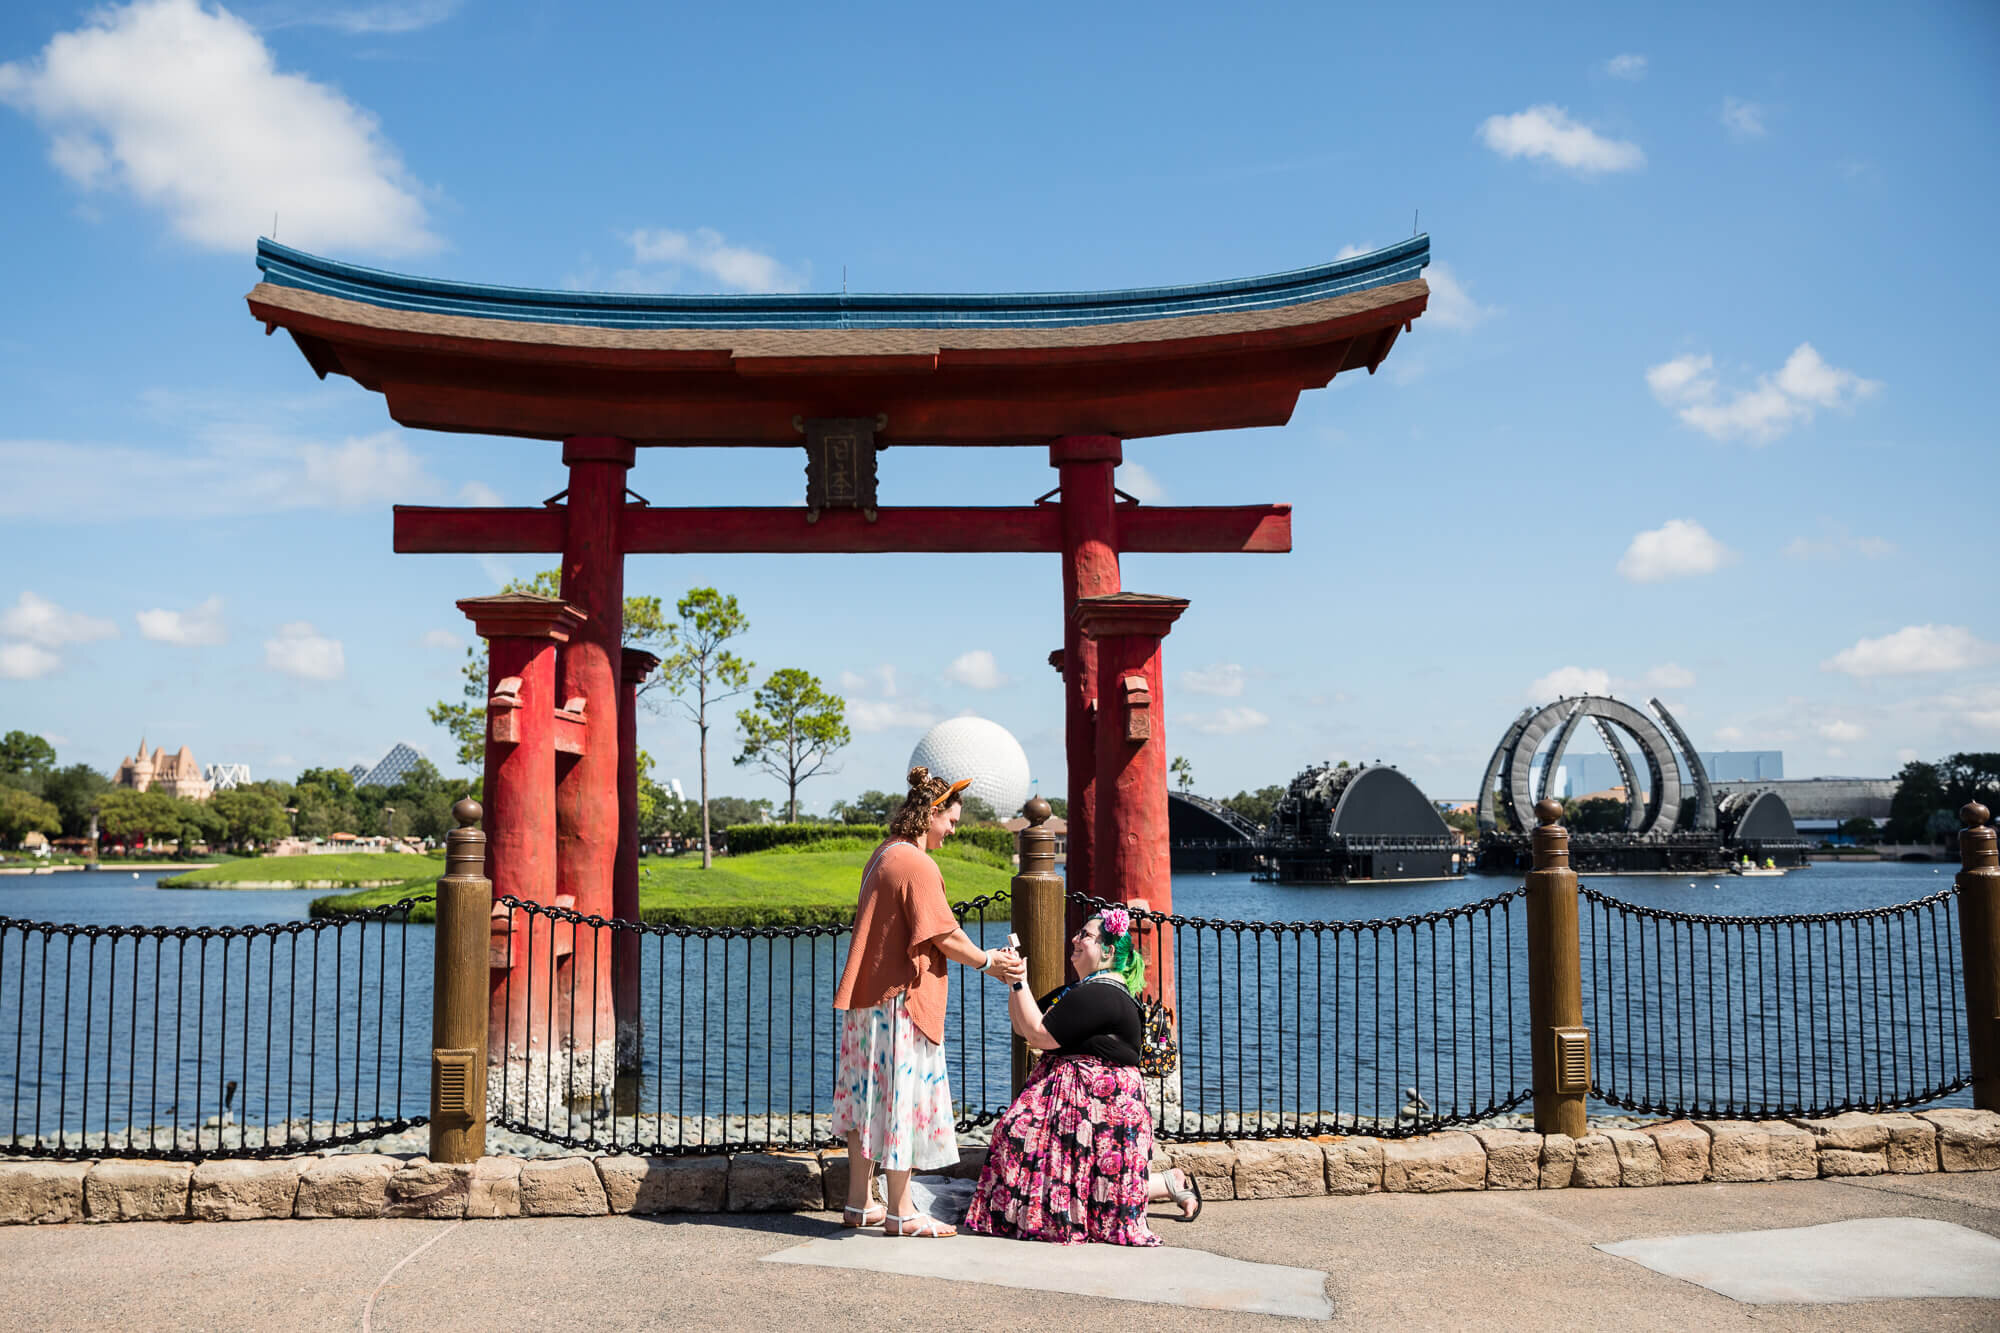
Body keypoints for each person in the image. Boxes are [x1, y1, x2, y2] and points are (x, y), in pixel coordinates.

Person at [832, 766, 1015, 1238]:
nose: (953, 830)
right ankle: (901, 1212)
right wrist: (987, 961)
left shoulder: (884, 853)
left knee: (864, 1100)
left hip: (867, 1002)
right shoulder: (916, 864)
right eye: (950, 820)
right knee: (901, 1103)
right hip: (900, 1003)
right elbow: (944, 933)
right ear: (931, 813)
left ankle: (859, 1203)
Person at [965, 908, 1199, 1246]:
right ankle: (1169, 1183)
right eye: (1078, 932)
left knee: (1017, 1137)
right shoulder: (1088, 990)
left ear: (1106, 951)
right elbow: (1024, 1027)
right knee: (1023, 1139)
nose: (1074, 939)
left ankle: (1167, 1183)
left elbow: (1039, 1036)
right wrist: (1015, 983)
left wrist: (1018, 981)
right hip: (1087, 1100)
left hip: (1098, 1106)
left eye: (1085, 935)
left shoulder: (1100, 994)